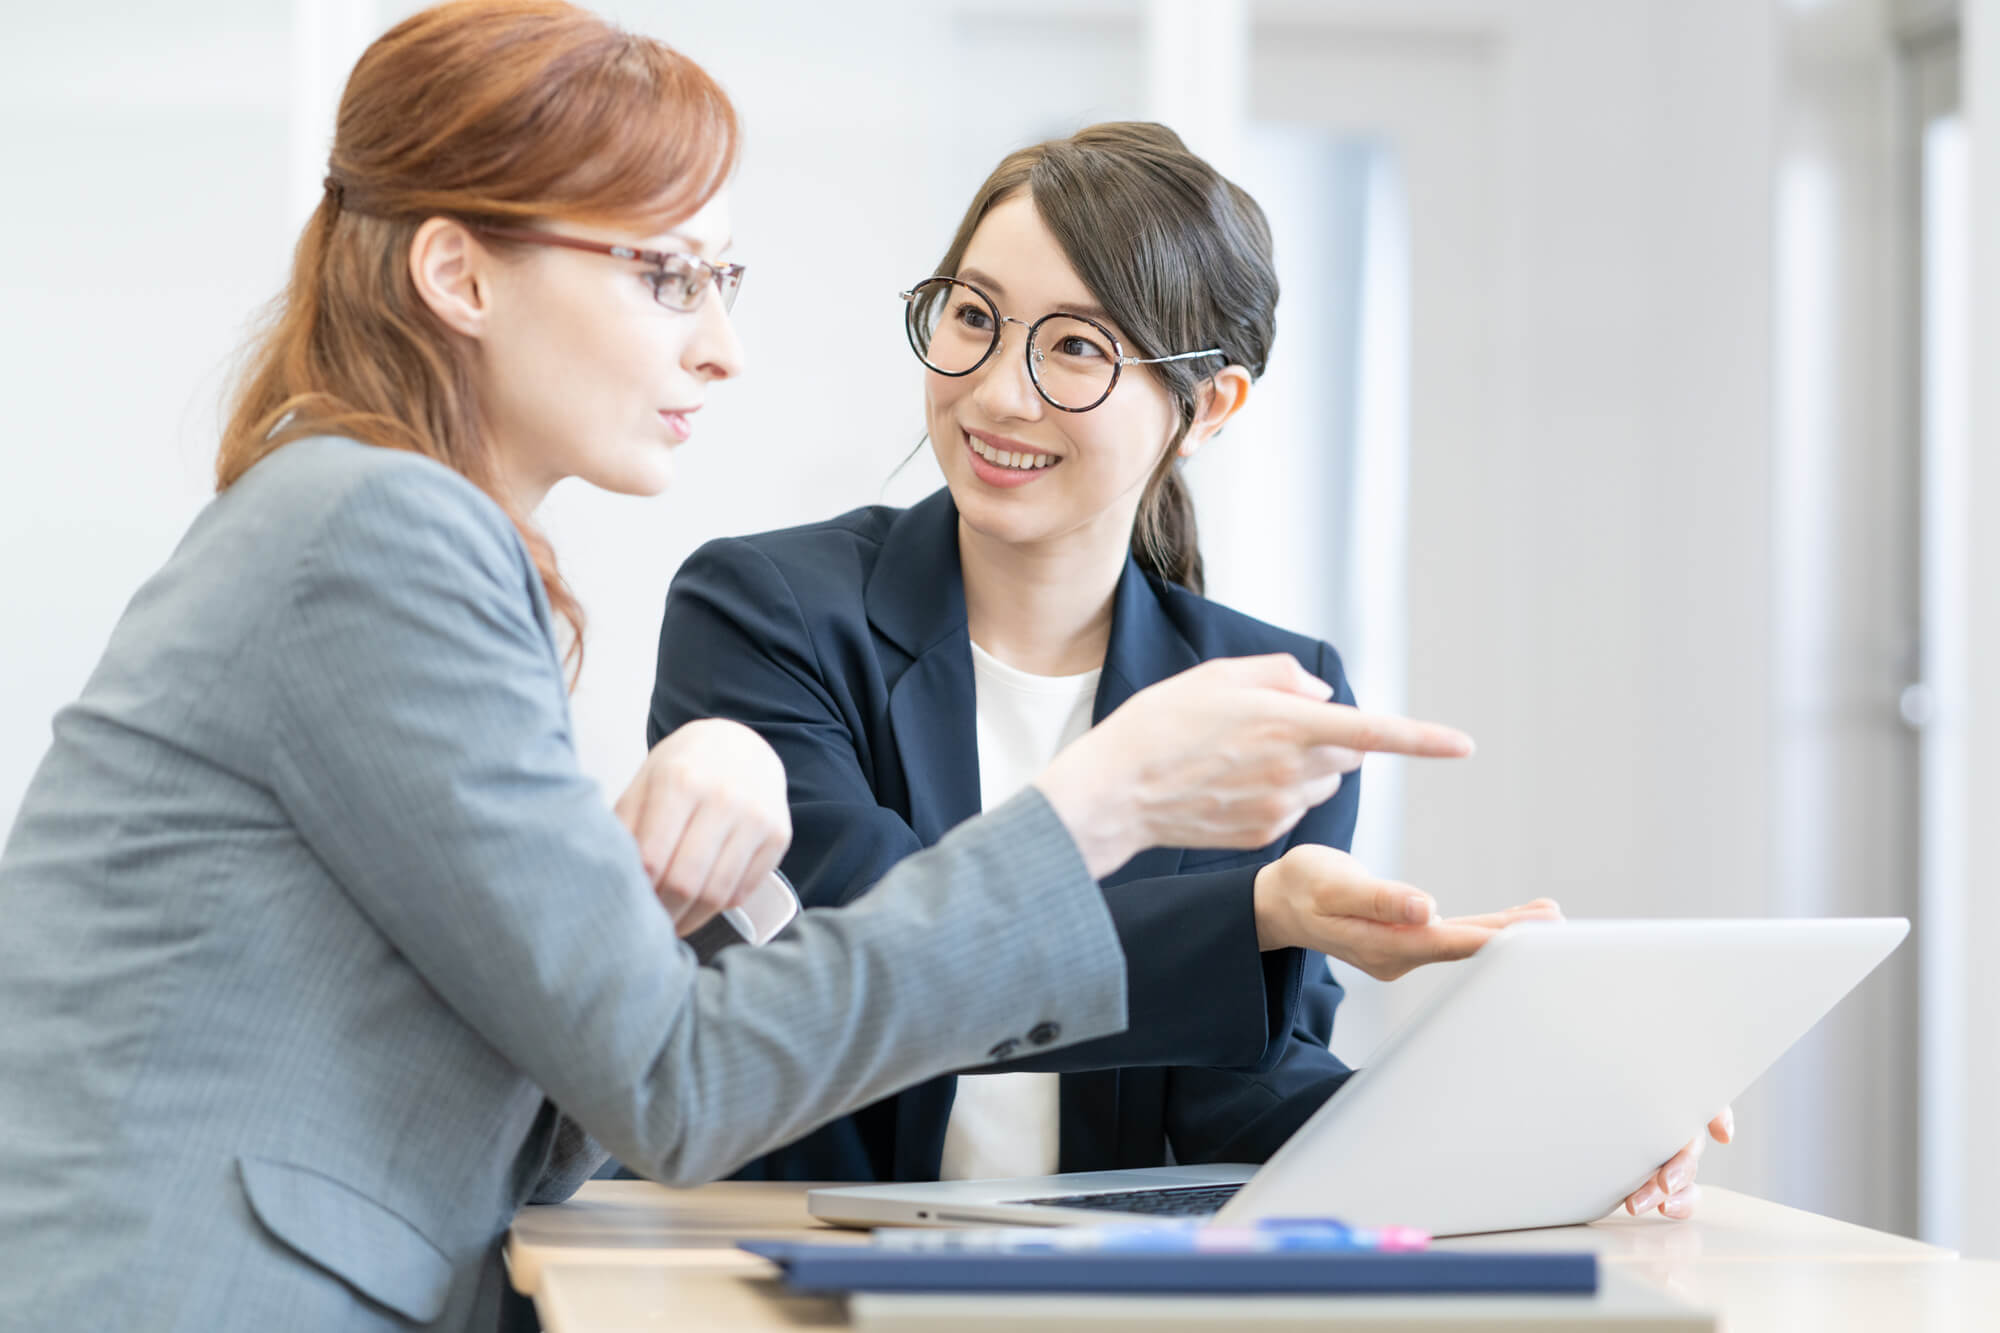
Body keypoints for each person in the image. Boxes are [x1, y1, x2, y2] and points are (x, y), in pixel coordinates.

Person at [0, 7, 1488, 1330]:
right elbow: (675, 1085)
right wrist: (1103, 803)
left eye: (723, 279)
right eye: (667, 277)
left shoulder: (380, 527)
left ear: (1206, 405)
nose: (722, 350)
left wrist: (668, 882)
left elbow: (573, 1065)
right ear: (456, 273)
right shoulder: (384, 534)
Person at [649, 122, 1728, 1212]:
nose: (995, 393)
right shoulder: (765, 612)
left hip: (1087, 1291)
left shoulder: (1267, 698)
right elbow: (878, 951)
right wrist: (1257, 911)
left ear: (1208, 406)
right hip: (776, 1266)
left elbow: (1241, 1096)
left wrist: (1548, 1129)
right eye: (973, 317)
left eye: (1075, 346)